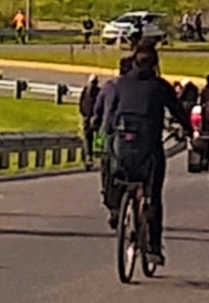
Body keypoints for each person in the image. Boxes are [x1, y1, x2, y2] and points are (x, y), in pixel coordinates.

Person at [102, 41, 193, 265]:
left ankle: (114, 208)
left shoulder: (121, 84)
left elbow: (109, 117)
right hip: (149, 152)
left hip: (122, 149)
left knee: (113, 169)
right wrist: (188, 131)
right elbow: (179, 112)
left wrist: (109, 131)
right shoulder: (160, 87)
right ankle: (153, 247)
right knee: (153, 197)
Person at [93, 55, 134, 228]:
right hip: (135, 138)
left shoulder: (110, 86)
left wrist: (96, 122)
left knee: (108, 169)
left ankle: (112, 205)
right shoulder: (141, 87)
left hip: (110, 135)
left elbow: (98, 110)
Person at [79, 74, 101, 169]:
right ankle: (88, 157)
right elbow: (81, 103)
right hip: (88, 118)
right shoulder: (86, 91)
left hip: (94, 119)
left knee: (92, 139)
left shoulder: (97, 92)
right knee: (88, 138)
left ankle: (90, 156)